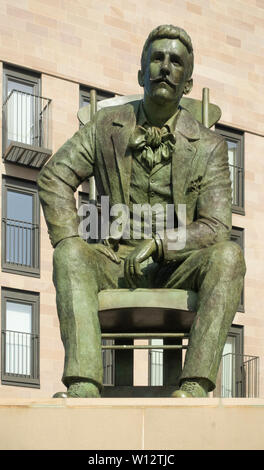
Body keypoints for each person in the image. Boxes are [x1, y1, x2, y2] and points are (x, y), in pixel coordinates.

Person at [37, 24, 246, 398]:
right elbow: (54, 177)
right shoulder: (105, 128)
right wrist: (71, 237)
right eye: (157, 58)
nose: (165, 67)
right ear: (141, 73)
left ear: (187, 83)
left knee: (229, 256)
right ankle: (84, 385)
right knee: (70, 254)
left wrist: (160, 244)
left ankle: (195, 386)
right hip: (113, 261)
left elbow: (215, 226)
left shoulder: (210, 145)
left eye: (176, 62)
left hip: (177, 267)